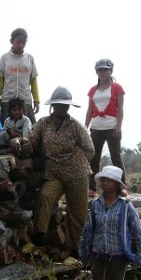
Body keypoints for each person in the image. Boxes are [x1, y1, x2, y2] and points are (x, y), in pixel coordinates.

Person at [26, 86, 94, 257]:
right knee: (45, 197)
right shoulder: (43, 123)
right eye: (59, 105)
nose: (62, 108)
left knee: (77, 212)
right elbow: (31, 141)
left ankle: (76, 249)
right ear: (53, 105)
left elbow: (89, 149)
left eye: (65, 106)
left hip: (77, 172)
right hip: (54, 172)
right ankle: (39, 239)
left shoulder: (76, 126)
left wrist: (75, 161)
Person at [78, 165, 141, 280]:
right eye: (103, 180)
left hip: (117, 258)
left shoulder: (126, 206)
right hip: (98, 257)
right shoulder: (95, 204)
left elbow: (138, 232)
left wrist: (139, 256)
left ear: (116, 184)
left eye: (109, 180)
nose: (105, 183)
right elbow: (87, 230)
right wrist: (84, 253)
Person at [85, 58, 126, 193]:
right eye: (100, 70)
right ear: (96, 72)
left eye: (105, 70)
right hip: (96, 126)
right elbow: (90, 110)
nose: (103, 72)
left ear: (110, 71)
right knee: (93, 157)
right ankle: (92, 187)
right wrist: (85, 127)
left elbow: (120, 108)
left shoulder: (117, 88)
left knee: (116, 157)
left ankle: (122, 186)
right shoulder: (93, 90)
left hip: (111, 125)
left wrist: (119, 125)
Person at [0, 27, 40, 125]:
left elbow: (33, 81)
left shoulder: (29, 58)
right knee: (5, 128)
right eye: (18, 42)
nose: (21, 45)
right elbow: (0, 80)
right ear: (12, 41)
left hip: (25, 99)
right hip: (8, 99)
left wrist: (36, 100)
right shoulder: (5, 58)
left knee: (31, 129)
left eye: (23, 42)